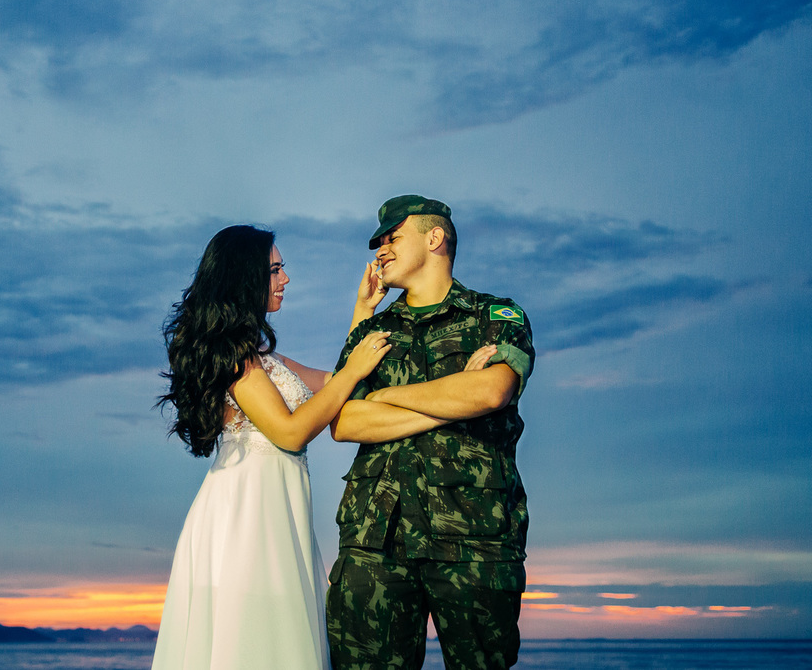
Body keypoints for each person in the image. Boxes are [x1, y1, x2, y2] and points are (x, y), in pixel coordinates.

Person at [151, 224, 394, 669]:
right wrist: (353, 371)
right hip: (246, 514)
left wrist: (362, 310)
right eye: (275, 270)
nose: (285, 279)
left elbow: (336, 381)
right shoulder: (234, 358)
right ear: (245, 279)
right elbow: (289, 431)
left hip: (277, 509)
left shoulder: (265, 360)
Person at [325, 196, 536, 670]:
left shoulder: (494, 315)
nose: (380, 249)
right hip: (374, 540)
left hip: (473, 538)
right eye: (378, 242)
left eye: (392, 238)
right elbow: (343, 421)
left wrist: (384, 397)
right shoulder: (371, 332)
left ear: (434, 238)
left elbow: (491, 391)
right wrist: (449, 403)